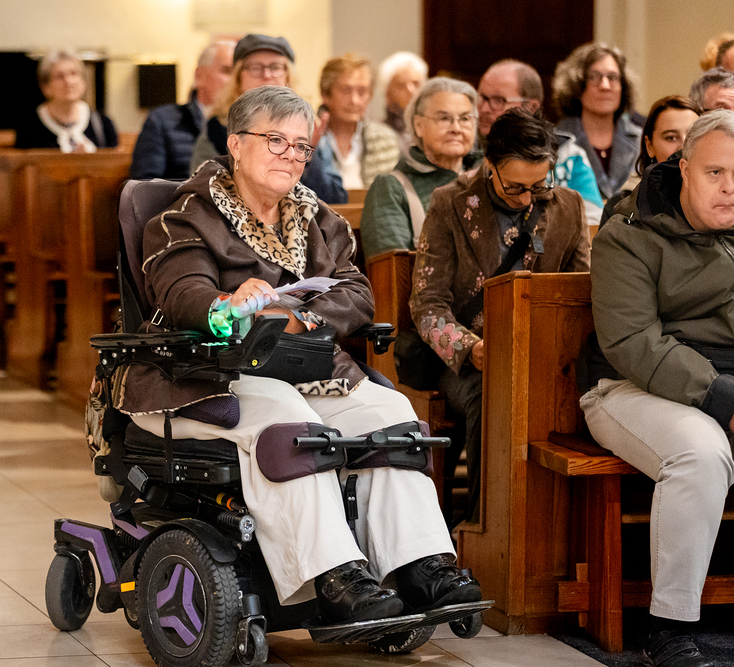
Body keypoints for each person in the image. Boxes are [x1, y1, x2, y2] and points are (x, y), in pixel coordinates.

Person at [121, 86, 481, 621]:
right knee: (290, 424)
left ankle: (419, 565)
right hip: (203, 375)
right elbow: (181, 295)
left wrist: (300, 319)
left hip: (304, 368)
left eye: (300, 146)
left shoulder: (316, 218)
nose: (290, 155)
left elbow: (357, 293)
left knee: (390, 414)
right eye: (275, 141)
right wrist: (227, 304)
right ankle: (333, 576)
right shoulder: (185, 217)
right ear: (235, 144)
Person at [580, 110, 734, 667]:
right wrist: (725, 400)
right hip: (632, 387)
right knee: (700, 454)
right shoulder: (630, 232)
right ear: (684, 168)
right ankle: (669, 628)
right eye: (716, 173)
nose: (730, 188)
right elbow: (632, 342)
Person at [409, 108, 591, 525]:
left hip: (546, 356)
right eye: (514, 187)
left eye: (539, 185)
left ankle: (557, 526)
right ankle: (484, 525)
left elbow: (580, 295)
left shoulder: (568, 206)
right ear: (489, 164)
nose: (527, 198)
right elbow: (427, 303)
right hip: (471, 362)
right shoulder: (450, 203)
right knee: (492, 393)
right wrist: (470, 348)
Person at [188, 33, 347, 204]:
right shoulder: (217, 129)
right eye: (255, 67)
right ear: (238, 78)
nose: (267, 75)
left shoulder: (307, 128)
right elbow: (204, 193)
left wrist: (308, 155)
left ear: (288, 75)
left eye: (275, 67)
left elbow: (336, 198)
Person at [359, 77, 480, 259]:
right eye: (444, 118)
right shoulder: (391, 188)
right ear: (418, 125)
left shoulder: (487, 180)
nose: (456, 128)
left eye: (465, 119)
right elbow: (391, 270)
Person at [477, 59, 603, 226]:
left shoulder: (570, 158)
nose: (484, 109)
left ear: (532, 107)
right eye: (481, 98)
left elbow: (593, 223)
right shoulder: (464, 153)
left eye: (498, 100)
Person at [129, 40, 235, 180]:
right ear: (199, 76)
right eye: (227, 71)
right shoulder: (162, 120)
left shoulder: (246, 123)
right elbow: (145, 183)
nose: (234, 80)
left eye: (238, 73)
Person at [553, 43, 641, 201]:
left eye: (612, 78)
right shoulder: (556, 142)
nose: (605, 86)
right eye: (594, 77)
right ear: (576, 85)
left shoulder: (642, 140)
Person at [599, 96, 702, 226]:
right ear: (649, 146)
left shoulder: (722, 201)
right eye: (671, 138)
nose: (683, 147)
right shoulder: (620, 208)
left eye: (693, 137)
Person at [317, 54, 399, 189]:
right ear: (326, 94)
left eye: (362, 92)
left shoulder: (385, 140)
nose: (354, 100)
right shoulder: (309, 136)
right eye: (346, 91)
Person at [14, 50, 118, 151]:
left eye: (73, 74)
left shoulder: (102, 124)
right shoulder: (28, 127)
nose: (68, 81)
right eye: (60, 76)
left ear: (83, 81)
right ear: (45, 86)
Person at [377, 51, 428, 137]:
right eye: (401, 85)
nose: (411, 90)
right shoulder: (377, 134)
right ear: (388, 94)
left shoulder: (436, 130)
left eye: (416, 83)